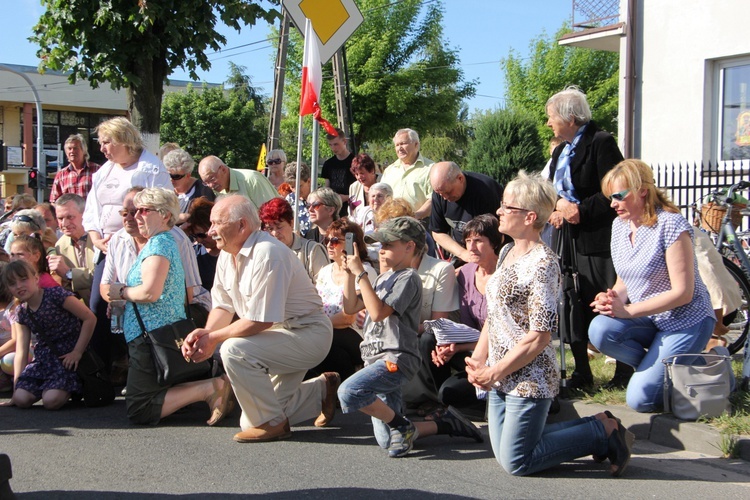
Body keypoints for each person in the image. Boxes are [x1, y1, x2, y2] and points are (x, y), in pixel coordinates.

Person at [465, 171, 633, 477]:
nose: (499, 211)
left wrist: (495, 371)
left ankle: (602, 431)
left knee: (517, 461)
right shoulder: (506, 251)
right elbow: (496, 313)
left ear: (530, 217)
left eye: (507, 207)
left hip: (529, 376)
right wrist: (479, 359)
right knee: (506, 456)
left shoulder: (543, 263)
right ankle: (598, 425)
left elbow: (540, 336)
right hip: (500, 373)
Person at [181, 195, 337, 443]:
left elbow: (260, 320)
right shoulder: (226, 253)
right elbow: (223, 306)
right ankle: (323, 391)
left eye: (216, 223)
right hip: (275, 338)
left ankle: (274, 425)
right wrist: (205, 333)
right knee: (250, 420)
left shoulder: (267, 253)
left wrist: (213, 339)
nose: (210, 231)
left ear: (242, 225)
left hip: (307, 334)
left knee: (233, 350)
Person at [337, 216, 483, 458]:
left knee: (349, 392)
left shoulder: (408, 278)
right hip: (374, 359)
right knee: (386, 440)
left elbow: (378, 312)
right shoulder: (384, 278)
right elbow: (350, 308)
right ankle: (445, 423)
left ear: (409, 246)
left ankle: (402, 425)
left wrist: (361, 273)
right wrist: (349, 275)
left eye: (388, 245)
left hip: (395, 359)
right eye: (380, 246)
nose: (382, 251)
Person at [588, 160, 716, 413]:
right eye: (609, 197)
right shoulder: (619, 225)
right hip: (652, 319)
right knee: (600, 328)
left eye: (618, 196)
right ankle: (671, 370)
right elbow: (624, 280)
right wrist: (612, 297)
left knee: (641, 401)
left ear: (642, 191)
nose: (612, 203)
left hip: (687, 321)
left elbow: (683, 293)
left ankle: (707, 369)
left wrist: (628, 312)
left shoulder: (671, 224)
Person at [105, 188, 232, 426]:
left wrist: (121, 292)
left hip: (152, 336)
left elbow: (150, 292)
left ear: (164, 215)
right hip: (152, 334)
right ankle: (210, 389)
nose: (137, 216)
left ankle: (212, 387)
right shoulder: (160, 242)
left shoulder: (160, 245)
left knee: (140, 408)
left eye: (144, 210)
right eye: (135, 211)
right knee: (147, 394)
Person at [545, 86, 629, 391]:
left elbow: (614, 188)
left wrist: (578, 209)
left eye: (551, 116)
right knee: (572, 299)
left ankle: (624, 368)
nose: (548, 123)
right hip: (567, 237)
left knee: (605, 297)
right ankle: (582, 371)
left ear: (569, 117)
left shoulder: (601, 143)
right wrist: (558, 206)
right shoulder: (559, 150)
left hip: (598, 236)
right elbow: (550, 191)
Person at [81, 116, 172, 370]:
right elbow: (92, 209)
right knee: (99, 305)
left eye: (107, 142)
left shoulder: (152, 168)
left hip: (142, 247)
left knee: (138, 302)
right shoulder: (103, 171)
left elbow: (165, 208)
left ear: (123, 139)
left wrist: (137, 237)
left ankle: (138, 364)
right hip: (107, 247)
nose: (102, 149)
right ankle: (102, 367)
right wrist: (96, 238)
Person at [425, 214, 502, 419]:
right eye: (468, 241)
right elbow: (471, 332)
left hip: (502, 351)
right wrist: (452, 348)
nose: (471, 247)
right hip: (475, 347)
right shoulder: (466, 273)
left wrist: (461, 348)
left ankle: (491, 406)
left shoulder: (505, 273)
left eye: (478, 241)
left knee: (454, 394)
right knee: (431, 341)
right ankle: (440, 404)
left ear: (494, 242)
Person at [1, 260, 96, 410]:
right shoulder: (21, 311)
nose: (19, 286)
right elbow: (22, 350)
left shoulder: (56, 295)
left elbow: (89, 318)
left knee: (51, 401)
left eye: (23, 279)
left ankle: (71, 388)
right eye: (13, 283)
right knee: (21, 400)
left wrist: (77, 352)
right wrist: (15, 388)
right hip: (44, 359)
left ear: (36, 278)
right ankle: (46, 388)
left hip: (68, 358)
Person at [314, 219, 377, 380]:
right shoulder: (324, 272)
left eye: (335, 241)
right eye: (327, 240)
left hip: (357, 333)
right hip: (327, 330)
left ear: (351, 244)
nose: (328, 245)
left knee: (326, 338)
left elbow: (349, 317)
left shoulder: (364, 271)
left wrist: (318, 325)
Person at [429, 161, 503, 263]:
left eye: (448, 192)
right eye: (440, 193)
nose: (444, 198)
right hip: (461, 252)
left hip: (491, 252)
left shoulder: (485, 191)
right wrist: (463, 253)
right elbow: (438, 232)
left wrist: (472, 264)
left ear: (460, 179)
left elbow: (498, 236)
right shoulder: (440, 191)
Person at [258, 198, 329, 283]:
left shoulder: (312, 251)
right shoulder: (263, 253)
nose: (275, 233)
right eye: (270, 228)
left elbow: (324, 287)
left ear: (291, 223)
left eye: (279, 227)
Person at [48, 194, 96, 306]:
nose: (64, 224)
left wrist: (69, 273)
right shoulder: (60, 245)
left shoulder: (99, 238)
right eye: (60, 218)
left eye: (70, 217)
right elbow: (70, 290)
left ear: (85, 215)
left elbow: (101, 279)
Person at [380, 129, 434, 219]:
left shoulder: (431, 168)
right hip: (393, 223)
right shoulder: (389, 170)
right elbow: (382, 196)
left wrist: (416, 216)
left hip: (421, 222)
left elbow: (433, 199)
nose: (400, 148)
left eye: (403, 143)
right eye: (397, 145)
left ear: (416, 144)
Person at [197, 155, 278, 210]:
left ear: (223, 169)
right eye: (206, 182)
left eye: (211, 179)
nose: (210, 185)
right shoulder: (219, 189)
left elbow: (273, 213)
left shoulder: (252, 180)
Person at [163, 148, 215, 224]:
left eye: (176, 176)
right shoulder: (163, 187)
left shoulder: (203, 191)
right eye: (168, 175)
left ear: (188, 175)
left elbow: (205, 222)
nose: (171, 179)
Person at [49, 134, 100, 203]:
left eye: (75, 148)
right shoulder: (61, 175)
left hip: (91, 213)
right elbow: (54, 201)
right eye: (69, 149)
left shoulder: (97, 170)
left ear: (84, 150)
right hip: (69, 213)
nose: (72, 151)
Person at [184, 197, 220, 291]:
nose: (199, 240)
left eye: (201, 235)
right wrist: (181, 233)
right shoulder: (194, 252)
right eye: (194, 236)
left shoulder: (230, 252)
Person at [321, 128, 356, 217]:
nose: (333, 148)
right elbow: (327, 188)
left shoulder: (355, 162)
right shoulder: (328, 164)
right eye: (330, 145)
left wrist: (346, 197)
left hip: (353, 209)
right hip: (334, 211)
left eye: (336, 144)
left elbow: (363, 188)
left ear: (344, 141)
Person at [348, 153, 381, 222]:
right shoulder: (353, 187)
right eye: (356, 174)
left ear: (372, 171)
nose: (359, 177)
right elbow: (351, 213)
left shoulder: (384, 182)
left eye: (362, 173)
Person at [283, 161, 313, 237]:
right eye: (292, 187)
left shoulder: (320, 197)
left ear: (309, 181)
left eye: (300, 186)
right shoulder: (290, 199)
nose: (296, 190)